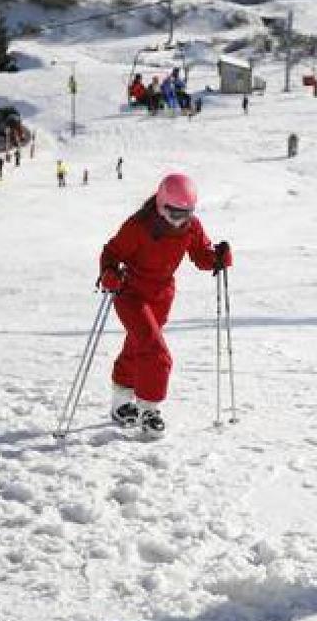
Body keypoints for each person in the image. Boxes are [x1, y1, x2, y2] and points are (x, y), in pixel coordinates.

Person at [97, 174, 233, 438]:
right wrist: (109, 272)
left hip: (161, 296)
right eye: (173, 213)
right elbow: (111, 253)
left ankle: (121, 402)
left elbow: (201, 255)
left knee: (139, 344)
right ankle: (149, 409)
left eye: (185, 214)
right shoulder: (138, 226)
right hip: (131, 294)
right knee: (155, 352)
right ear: (161, 204)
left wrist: (217, 257)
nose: (179, 220)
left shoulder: (191, 227)